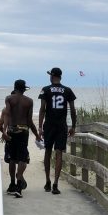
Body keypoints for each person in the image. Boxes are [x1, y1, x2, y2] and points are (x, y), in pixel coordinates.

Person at [38, 67, 77, 195]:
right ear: (60, 77)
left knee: (48, 152)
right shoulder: (67, 90)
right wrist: (73, 126)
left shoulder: (46, 89)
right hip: (61, 126)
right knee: (59, 152)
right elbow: (72, 109)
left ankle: (47, 181)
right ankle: (56, 184)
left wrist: (40, 127)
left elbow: (42, 109)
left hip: (49, 125)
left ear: (52, 76)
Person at [3, 80, 41, 198]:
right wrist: (36, 134)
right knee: (22, 158)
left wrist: (4, 131)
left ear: (14, 88)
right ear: (24, 89)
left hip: (12, 130)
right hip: (24, 131)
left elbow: (7, 114)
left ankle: (12, 184)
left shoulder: (9, 98)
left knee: (12, 159)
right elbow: (29, 121)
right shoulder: (29, 101)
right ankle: (19, 185)